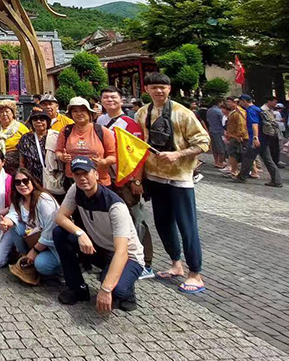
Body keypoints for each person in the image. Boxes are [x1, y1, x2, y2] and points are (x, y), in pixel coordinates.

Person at [136, 72, 210, 294]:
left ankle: (195, 273)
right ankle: (176, 264)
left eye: (163, 87)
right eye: (154, 87)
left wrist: (178, 155)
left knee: (187, 226)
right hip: (155, 176)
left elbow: (203, 142)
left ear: (169, 89)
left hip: (179, 177)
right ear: (147, 89)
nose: (159, 91)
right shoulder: (142, 113)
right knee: (163, 223)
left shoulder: (182, 113)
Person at [53, 157, 145, 312]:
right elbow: (60, 217)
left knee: (116, 290)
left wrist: (106, 289)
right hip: (99, 247)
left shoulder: (115, 206)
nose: (82, 178)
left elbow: (122, 252)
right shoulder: (75, 190)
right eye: (77, 174)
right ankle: (77, 288)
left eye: (86, 173)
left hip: (127, 255)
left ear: (96, 174)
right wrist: (80, 233)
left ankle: (127, 291)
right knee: (60, 233)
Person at [96, 86, 154, 279]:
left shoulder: (130, 123)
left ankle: (144, 262)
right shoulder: (101, 120)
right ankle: (121, 258)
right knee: (116, 220)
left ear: (121, 100)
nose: (109, 100)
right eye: (106, 97)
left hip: (127, 179)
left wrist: (137, 179)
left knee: (136, 219)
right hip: (108, 178)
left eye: (113, 97)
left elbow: (139, 153)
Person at [1, 168, 62, 285]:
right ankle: (26, 258)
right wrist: (6, 222)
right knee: (15, 226)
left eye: (25, 181)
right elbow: (13, 214)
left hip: (53, 243)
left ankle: (58, 270)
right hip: (35, 238)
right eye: (18, 182)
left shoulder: (43, 199)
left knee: (41, 264)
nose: (22, 185)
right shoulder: (19, 200)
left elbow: (51, 230)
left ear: (32, 181)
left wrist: (35, 251)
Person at [55, 96, 117, 189]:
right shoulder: (66, 131)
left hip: (99, 182)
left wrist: (103, 162)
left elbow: (113, 157)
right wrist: (62, 157)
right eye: (75, 111)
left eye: (82, 110)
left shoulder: (102, 131)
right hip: (73, 181)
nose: (79, 114)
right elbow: (58, 151)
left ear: (89, 113)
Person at [234, 94, 282, 187]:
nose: (239, 103)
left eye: (240, 101)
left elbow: (254, 124)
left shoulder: (251, 110)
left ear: (244, 101)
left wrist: (255, 138)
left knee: (248, 158)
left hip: (256, 139)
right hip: (264, 138)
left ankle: (242, 177)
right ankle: (277, 180)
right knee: (268, 160)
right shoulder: (257, 109)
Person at [16, 111, 61, 194]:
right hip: (33, 179)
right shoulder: (25, 138)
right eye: (35, 119)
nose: (38, 121)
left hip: (52, 178)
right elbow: (22, 161)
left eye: (42, 119)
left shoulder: (56, 136)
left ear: (47, 121)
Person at [0, 100, 29, 171]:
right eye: (1, 112)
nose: (4, 114)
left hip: (16, 164)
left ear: (13, 114)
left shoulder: (21, 128)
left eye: (7, 111)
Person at [223, 96, 248, 176]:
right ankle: (234, 170)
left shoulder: (239, 112)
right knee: (234, 154)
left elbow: (241, 125)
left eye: (229, 102)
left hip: (237, 136)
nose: (227, 104)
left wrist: (239, 136)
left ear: (235, 102)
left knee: (234, 154)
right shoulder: (234, 111)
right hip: (233, 135)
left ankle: (234, 171)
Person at [261, 96, 283, 170]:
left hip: (274, 130)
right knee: (272, 148)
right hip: (269, 131)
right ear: (269, 101)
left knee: (276, 147)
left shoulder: (271, 110)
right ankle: (273, 162)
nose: (275, 104)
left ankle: (276, 161)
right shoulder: (263, 110)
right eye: (274, 102)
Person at [205, 97, 227, 169]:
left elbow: (207, 120)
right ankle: (220, 162)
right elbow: (223, 122)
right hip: (219, 130)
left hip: (212, 130)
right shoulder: (219, 111)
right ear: (219, 103)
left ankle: (216, 161)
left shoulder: (209, 110)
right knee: (221, 147)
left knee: (214, 147)